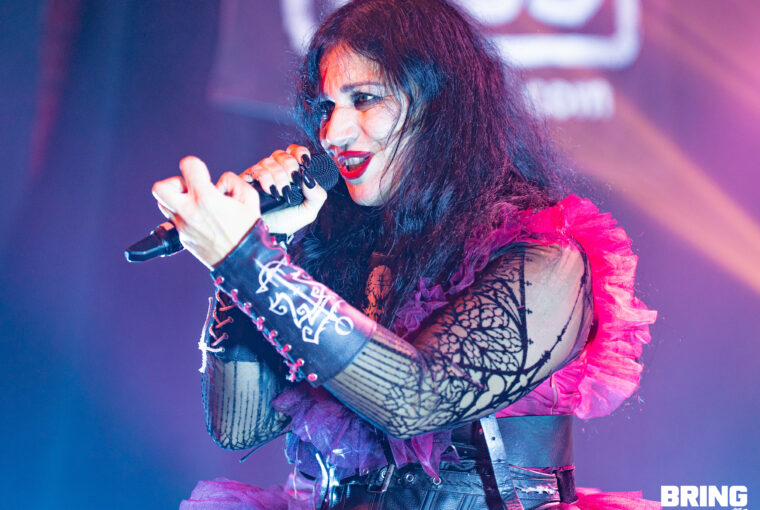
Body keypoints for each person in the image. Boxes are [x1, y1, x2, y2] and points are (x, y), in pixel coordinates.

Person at [152, 1, 659, 508]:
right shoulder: (334, 253)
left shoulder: (546, 259)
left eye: (364, 99)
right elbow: (239, 426)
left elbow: (416, 401)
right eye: (326, 108)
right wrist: (266, 239)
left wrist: (245, 258)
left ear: (440, 105)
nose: (332, 133)